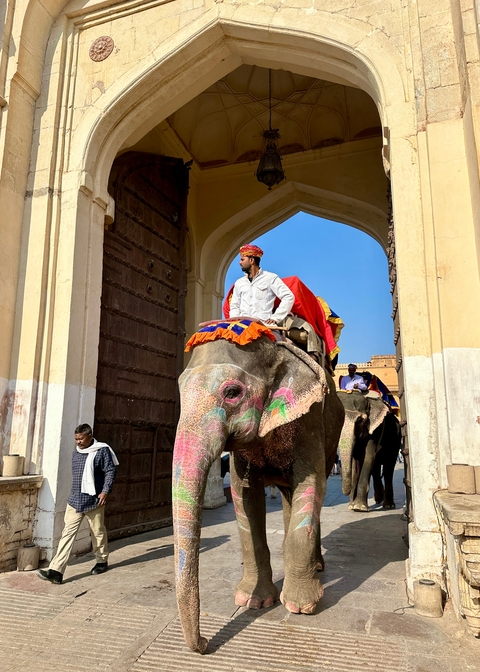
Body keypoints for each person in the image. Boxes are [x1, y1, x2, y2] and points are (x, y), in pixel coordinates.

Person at [37, 423, 118, 585]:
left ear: (90, 436)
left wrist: (105, 490)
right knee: (67, 534)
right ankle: (56, 571)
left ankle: (101, 561)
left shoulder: (102, 451)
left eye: (81, 438)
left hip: (94, 500)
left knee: (97, 531)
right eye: (76, 439)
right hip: (75, 499)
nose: (78, 442)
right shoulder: (77, 452)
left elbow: (110, 471)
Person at [229, 244, 294, 325]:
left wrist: (276, 318)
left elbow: (288, 296)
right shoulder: (239, 283)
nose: (240, 262)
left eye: (242, 260)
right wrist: (234, 322)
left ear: (251, 260)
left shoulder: (270, 278)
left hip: (264, 325)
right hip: (242, 326)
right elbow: (234, 306)